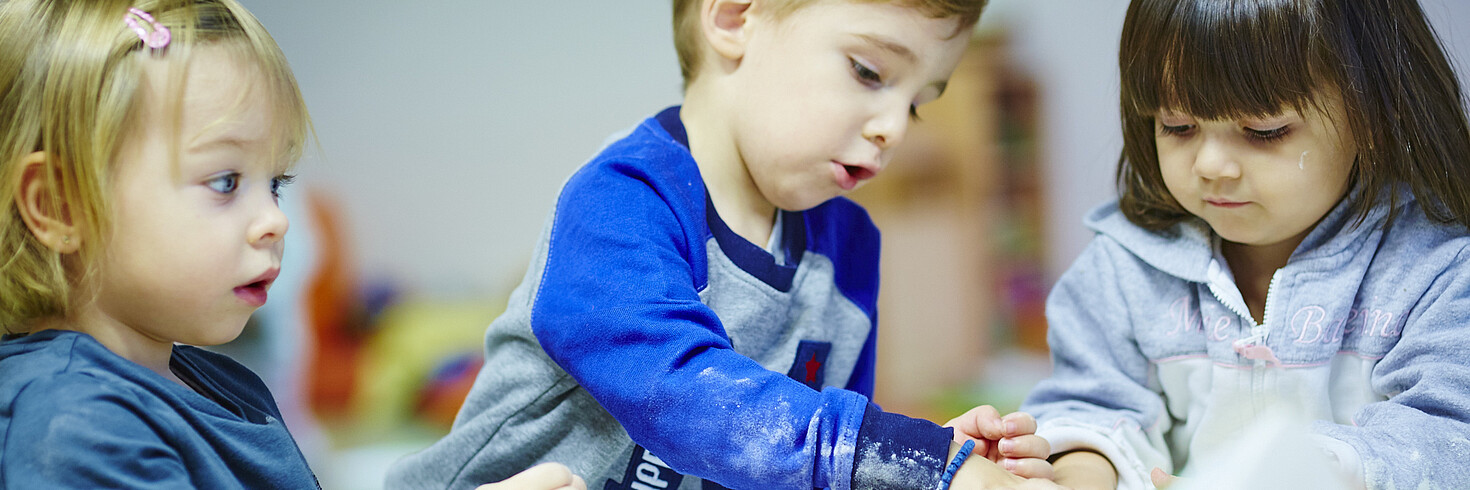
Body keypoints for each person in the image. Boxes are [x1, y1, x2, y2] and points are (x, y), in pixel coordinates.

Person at [387, 1, 1061, 489]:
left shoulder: (849, 250)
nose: (893, 127)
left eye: (919, 101)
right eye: (868, 71)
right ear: (735, 17)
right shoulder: (624, 199)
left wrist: (935, 457)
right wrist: (900, 459)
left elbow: (815, 460)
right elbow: (680, 393)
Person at [0, 2, 584, 489]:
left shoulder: (213, 382)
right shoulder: (72, 428)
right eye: (225, 181)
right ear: (59, 205)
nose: (275, 221)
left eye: (275, 182)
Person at [1017, 0, 1470, 489]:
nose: (1211, 165)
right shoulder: (1121, 270)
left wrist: (1304, 473)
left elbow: (1445, 438)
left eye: (1262, 131)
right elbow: (1095, 407)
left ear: (1373, 118)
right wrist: (1079, 472)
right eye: (1178, 126)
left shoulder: (1439, 273)